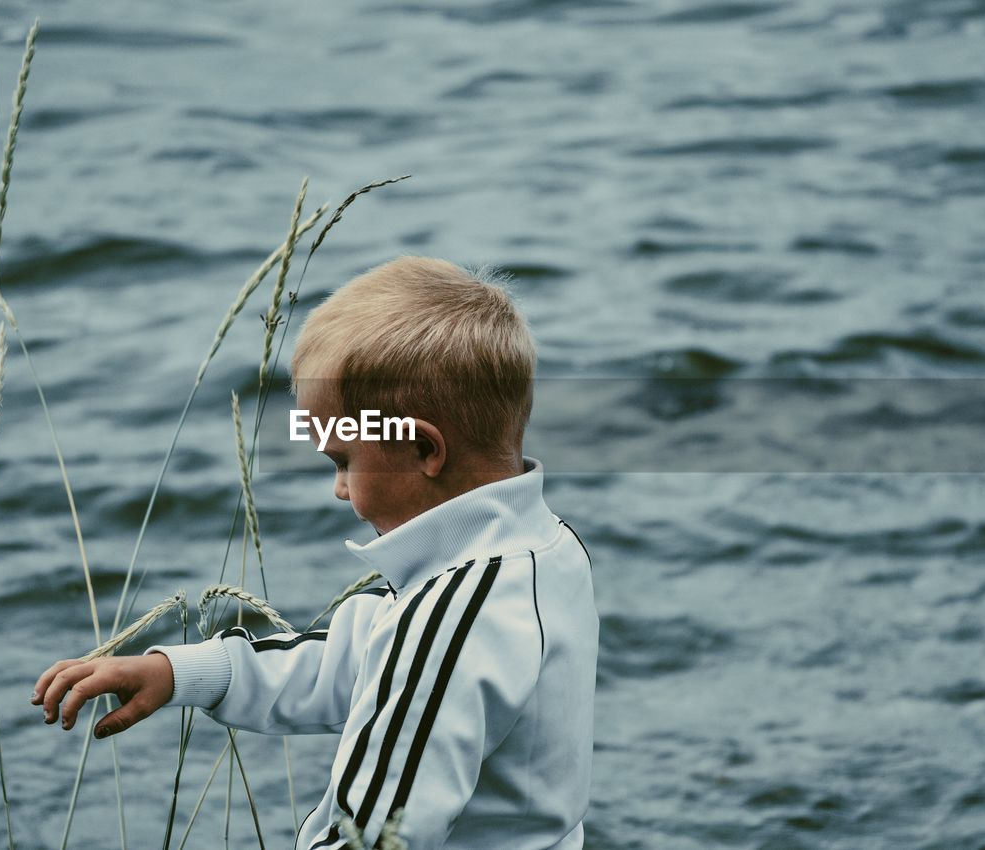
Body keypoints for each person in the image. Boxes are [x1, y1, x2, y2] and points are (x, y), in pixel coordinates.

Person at [31, 256, 598, 849]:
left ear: (425, 450)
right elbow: (359, 660)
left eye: (344, 461)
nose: (340, 489)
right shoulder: (540, 550)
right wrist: (184, 672)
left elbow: (374, 837)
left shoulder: (457, 609)